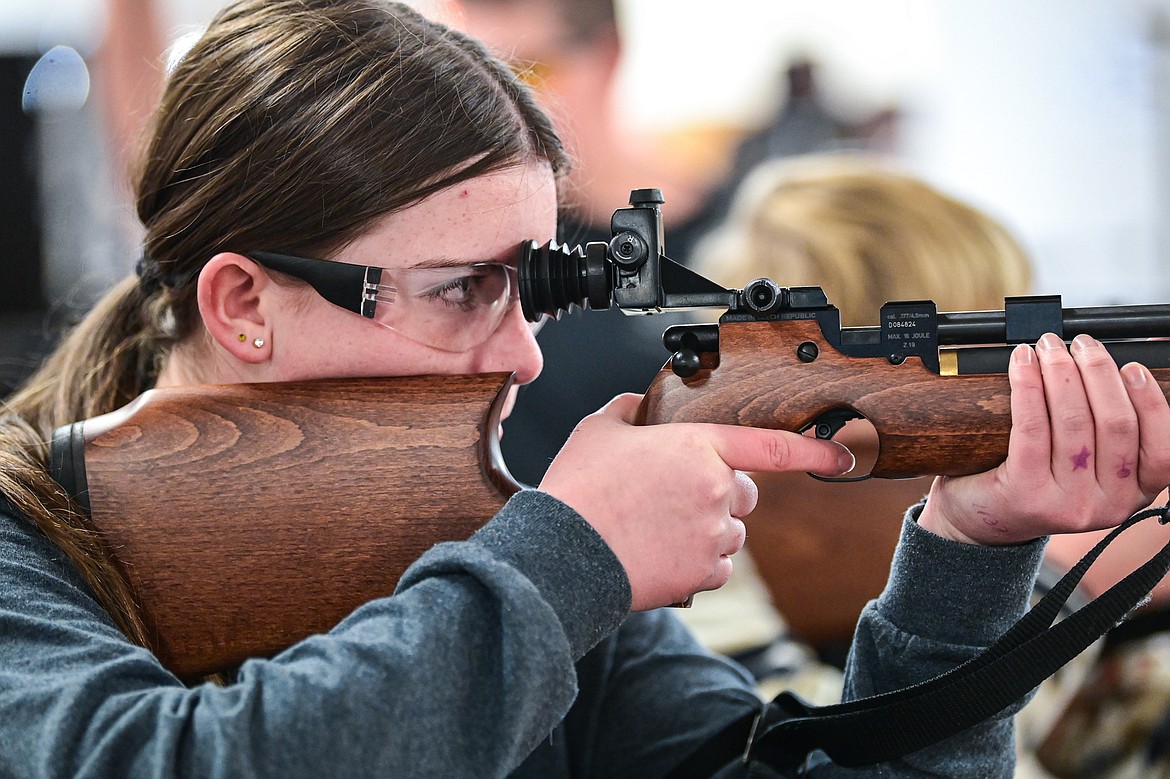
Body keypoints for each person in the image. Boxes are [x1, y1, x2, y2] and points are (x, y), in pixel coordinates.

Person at [0, 3, 1168, 778]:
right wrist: (568, 558)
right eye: (462, 288)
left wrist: (969, 549)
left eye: (535, 289)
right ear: (243, 303)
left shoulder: (498, 553)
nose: (525, 357)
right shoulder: (28, 541)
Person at [683, 152, 1035, 660]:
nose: (1004, 383)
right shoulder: (705, 521)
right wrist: (1064, 585)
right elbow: (800, 733)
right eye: (984, 351)